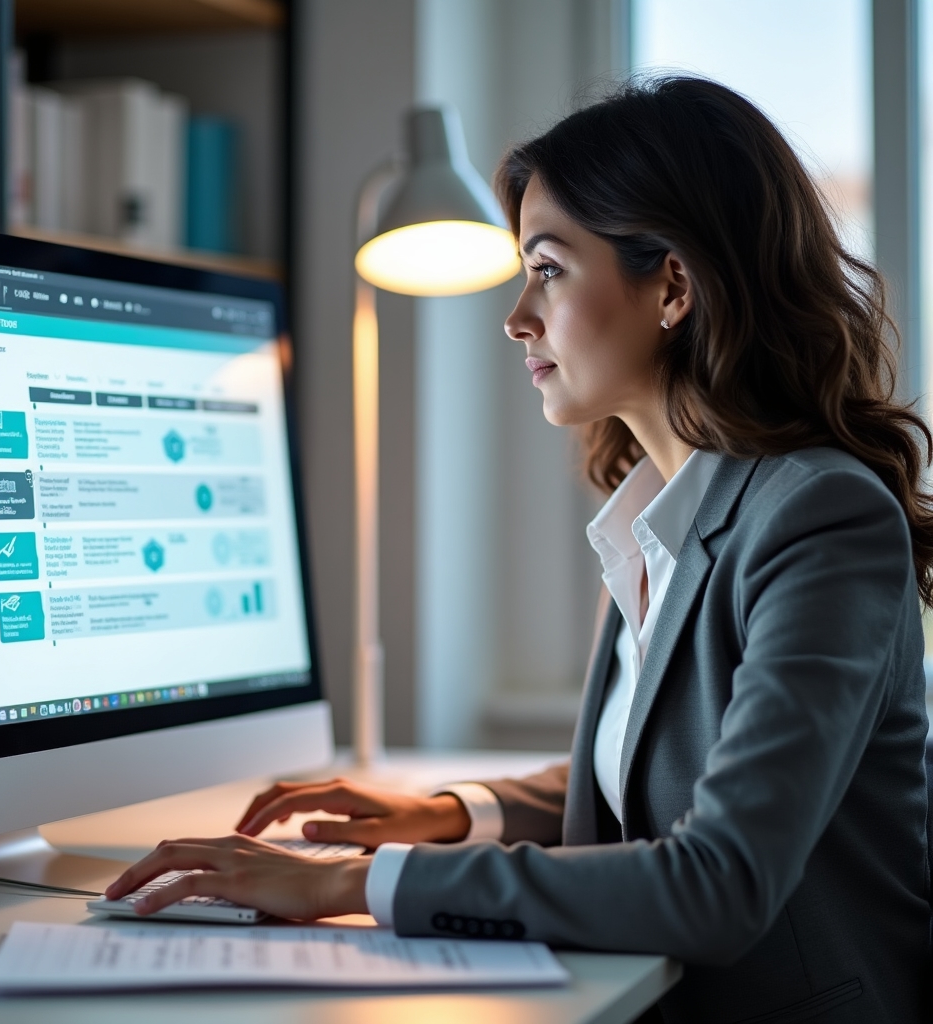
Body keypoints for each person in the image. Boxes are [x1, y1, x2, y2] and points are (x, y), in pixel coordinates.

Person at [105, 78, 932, 1022]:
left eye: (547, 268)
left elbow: (720, 878)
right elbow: (657, 779)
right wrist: (449, 812)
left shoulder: (820, 516)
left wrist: (346, 887)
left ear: (672, 285)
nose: (516, 317)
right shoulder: (659, 513)